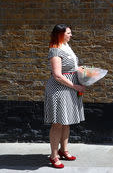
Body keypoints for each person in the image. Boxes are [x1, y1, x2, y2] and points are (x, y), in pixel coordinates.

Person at [44, 24, 86, 169]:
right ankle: (53, 156)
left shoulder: (66, 46)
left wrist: (83, 72)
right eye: (68, 33)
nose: (71, 35)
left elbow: (72, 67)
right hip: (59, 89)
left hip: (69, 87)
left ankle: (63, 150)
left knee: (66, 121)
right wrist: (75, 86)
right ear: (60, 34)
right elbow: (57, 75)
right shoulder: (55, 50)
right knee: (58, 123)